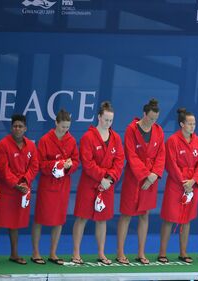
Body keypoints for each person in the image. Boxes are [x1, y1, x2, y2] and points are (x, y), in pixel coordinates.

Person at [72, 101, 125, 265]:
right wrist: (102, 176)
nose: (108, 123)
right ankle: (76, 253)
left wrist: (109, 179)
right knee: (82, 217)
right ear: (99, 117)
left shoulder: (115, 138)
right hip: (89, 184)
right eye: (106, 120)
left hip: (107, 185)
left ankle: (101, 253)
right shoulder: (88, 137)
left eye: (111, 121)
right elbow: (87, 163)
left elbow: (119, 161)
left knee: (103, 219)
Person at [0, 114, 40, 265]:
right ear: (11, 128)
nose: (17, 129)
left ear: (25, 128)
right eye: (15, 126)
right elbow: (3, 170)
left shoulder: (31, 145)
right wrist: (16, 183)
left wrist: (25, 181)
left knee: (15, 223)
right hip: (5, 190)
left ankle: (14, 254)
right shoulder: (3, 145)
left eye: (20, 126)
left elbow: (34, 166)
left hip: (21, 190)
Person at [117, 99, 166, 265]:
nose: (153, 121)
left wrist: (154, 175)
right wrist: (145, 175)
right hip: (134, 178)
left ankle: (141, 252)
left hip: (151, 179)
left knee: (145, 215)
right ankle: (120, 253)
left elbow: (161, 155)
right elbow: (131, 155)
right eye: (151, 118)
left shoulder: (159, 131)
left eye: (156, 119)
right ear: (144, 114)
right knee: (127, 215)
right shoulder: (131, 129)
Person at [31, 109, 79, 265]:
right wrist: (58, 164)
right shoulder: (45, 140)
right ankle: (36, 252)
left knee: (59, 220)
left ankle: (53, 252)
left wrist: (69, 166)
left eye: (67, 127)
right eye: (62, 127)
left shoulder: (71, 141)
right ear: (56, 123)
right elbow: (40, 164)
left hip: (63, 185)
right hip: (47, 184)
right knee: (40, 218)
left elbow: (76, 162)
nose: (65, 130)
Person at [158, 108, 198, 264]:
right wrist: (183, 182)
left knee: (187, 220)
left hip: (192, 185)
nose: (192, 126)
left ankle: (183, 252)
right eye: (189, 124)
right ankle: (162, 252)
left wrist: (193, 181)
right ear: (181, 124)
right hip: (176, 184)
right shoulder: (172, 141)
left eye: (194, 123)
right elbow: (170, 164)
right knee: (169, 219)